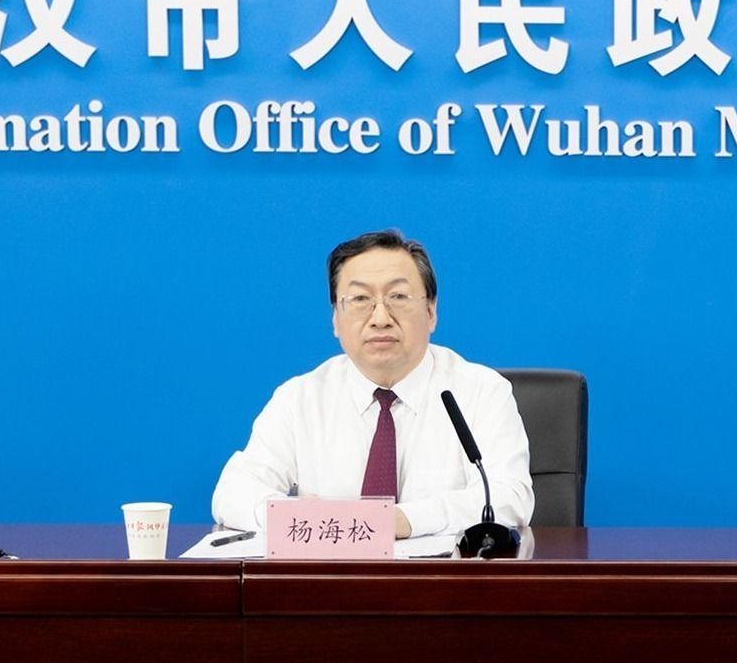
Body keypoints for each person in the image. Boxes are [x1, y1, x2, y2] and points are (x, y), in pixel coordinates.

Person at [212, 228, 533, 539]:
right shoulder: (301, 398)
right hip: (332, 574)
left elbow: (509, 496)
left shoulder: (481, 392)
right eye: (360, 299)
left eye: (398, 296)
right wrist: (300, 516)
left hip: (442, 574)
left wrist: (403, 520)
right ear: (335, 318)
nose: (380, 318)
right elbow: (233, 492)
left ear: (431, 311)